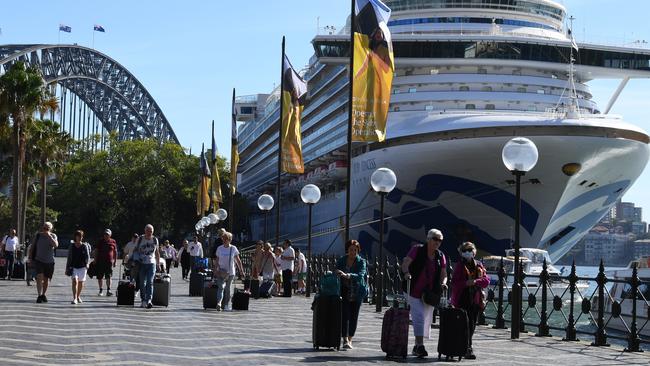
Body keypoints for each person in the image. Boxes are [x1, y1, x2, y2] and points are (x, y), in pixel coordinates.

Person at [401, 228, 448, 358]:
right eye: (435, 239)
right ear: (428, 239)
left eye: (440, 240)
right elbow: (405, 263)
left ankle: (416, 346)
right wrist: (406, 273)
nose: (437, 242)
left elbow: (444, 273)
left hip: (429, 292)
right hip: (413, 289)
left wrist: (444, 282)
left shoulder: (440, 256)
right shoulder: (417, 249)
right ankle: (420, 346)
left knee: (425, 317)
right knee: (419, 315)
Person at [451, 242, 489, 360]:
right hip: (463, 298)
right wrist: (466, 283)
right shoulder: (459, 266)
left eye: (470, 250)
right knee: (465, 324)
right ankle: (467, 348)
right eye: (465, 250)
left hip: (475, 299)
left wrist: (476, 281)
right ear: (461, 252)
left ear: (474, 252)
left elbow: (486, 280)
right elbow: (455, 283)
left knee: (472, 324)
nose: (468, 252)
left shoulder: (479, 264)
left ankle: (467, 346)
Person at [336, 240, 368, 350]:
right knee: (344, 315)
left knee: (354, 316)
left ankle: (350, 339)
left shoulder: (361, 262)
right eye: (351, 250)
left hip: (357, 291)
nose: (353, 252)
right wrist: (338, 272)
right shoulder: (342, 260)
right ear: (347, 250)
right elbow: (336, 268)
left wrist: (347, 275)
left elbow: (360, 275)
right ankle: (344, 339)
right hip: (344, 290)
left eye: (355, 250)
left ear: (358, 250)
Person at [213, 231, 244, 311]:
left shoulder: (233, 248)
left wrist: (241, 270)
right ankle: (219, 303)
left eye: (226, 239)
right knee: (221, 287)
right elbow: (217, 260)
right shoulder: (219, 248)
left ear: (230, 239)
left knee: (228, 289)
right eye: (223, 238)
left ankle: (226, 304)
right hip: (221, 272)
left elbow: (238, 260)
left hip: (230, 272)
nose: (224, 240)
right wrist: (215, 269)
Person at [133, 224, 161, 309]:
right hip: (141, 263)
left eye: (151, 231)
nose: (149, 233)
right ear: (145, 231)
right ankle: (143, 300)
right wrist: (134, 259)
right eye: (148, 231)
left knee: (150, 281)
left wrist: (158, 263)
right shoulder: (140, 239)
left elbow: (157, 252)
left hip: (151, 263)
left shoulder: (155, 240)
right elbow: (135, 250)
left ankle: (149, 300)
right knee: (142, 283)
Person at [30, 221, 59, 303]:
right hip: (39, 260)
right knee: (39, 277)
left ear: (51, 229)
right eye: (44, 228)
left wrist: (49, 236)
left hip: (49, 261)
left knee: (46, 280)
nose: (45, 229)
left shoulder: (53, 236)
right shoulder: (38, 235)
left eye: (47, 228)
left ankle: (43, 294)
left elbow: (56, 245)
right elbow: (32, 247)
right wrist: (30, 258)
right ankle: (39, 295)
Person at [66, 230, 91, 304]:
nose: (79, 238)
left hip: (82, 267)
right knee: (75, 281)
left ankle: (78, 296)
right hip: (74, 267)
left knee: (80, 282)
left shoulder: (84, 246)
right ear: (75, 237)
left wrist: (87, 263)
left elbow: (87, 256)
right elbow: (69, 257)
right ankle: (75, 298)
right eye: (78, 236)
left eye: (81, 236)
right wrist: (67, 267)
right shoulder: (72, 246)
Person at [93, 229, 117, 296]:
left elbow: (115, 252)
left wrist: (115, 261)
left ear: (110, 235)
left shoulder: (113, 241)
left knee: (109, 276)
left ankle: (108, 290)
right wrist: (95, 260)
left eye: (107, 234)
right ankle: (100, 290)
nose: (106, 235)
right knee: (100, 276)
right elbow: (96, 250)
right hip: (100, 261)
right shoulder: (100, 241)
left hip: (109, 262)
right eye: (105, 234)